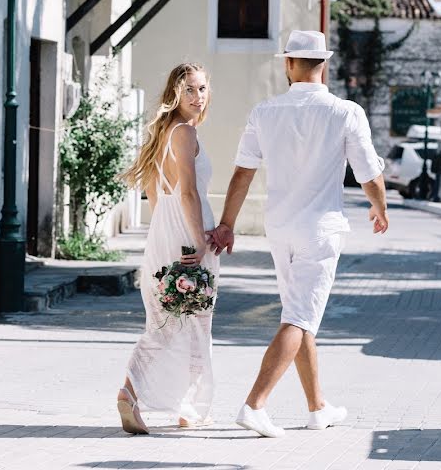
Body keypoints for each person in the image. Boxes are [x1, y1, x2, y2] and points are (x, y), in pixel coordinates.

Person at [207, 30, 389, 438]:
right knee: (300, 317)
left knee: (299, 314)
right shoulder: (346, 112)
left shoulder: (264, 111)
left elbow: (241, 174)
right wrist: (380, 207)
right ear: (324, 64)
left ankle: (317, 406)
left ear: (288, 64)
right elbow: (368, 174)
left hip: (280, 228)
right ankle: (255, 404)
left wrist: (227, 225)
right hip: (320, 231)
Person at [117, 62, 220, 434]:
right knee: (194, 318)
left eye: (203, 88)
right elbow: (189, 192)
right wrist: (198, 241)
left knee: (171, 318)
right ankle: (133, 394)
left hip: (165, 228)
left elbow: (154, 192)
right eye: (189, 89)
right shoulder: (185, 134)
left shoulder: (161, 132)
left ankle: (186, 406)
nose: (198, 97)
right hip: (188, 231)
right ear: (175, 93)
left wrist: (167, 235)